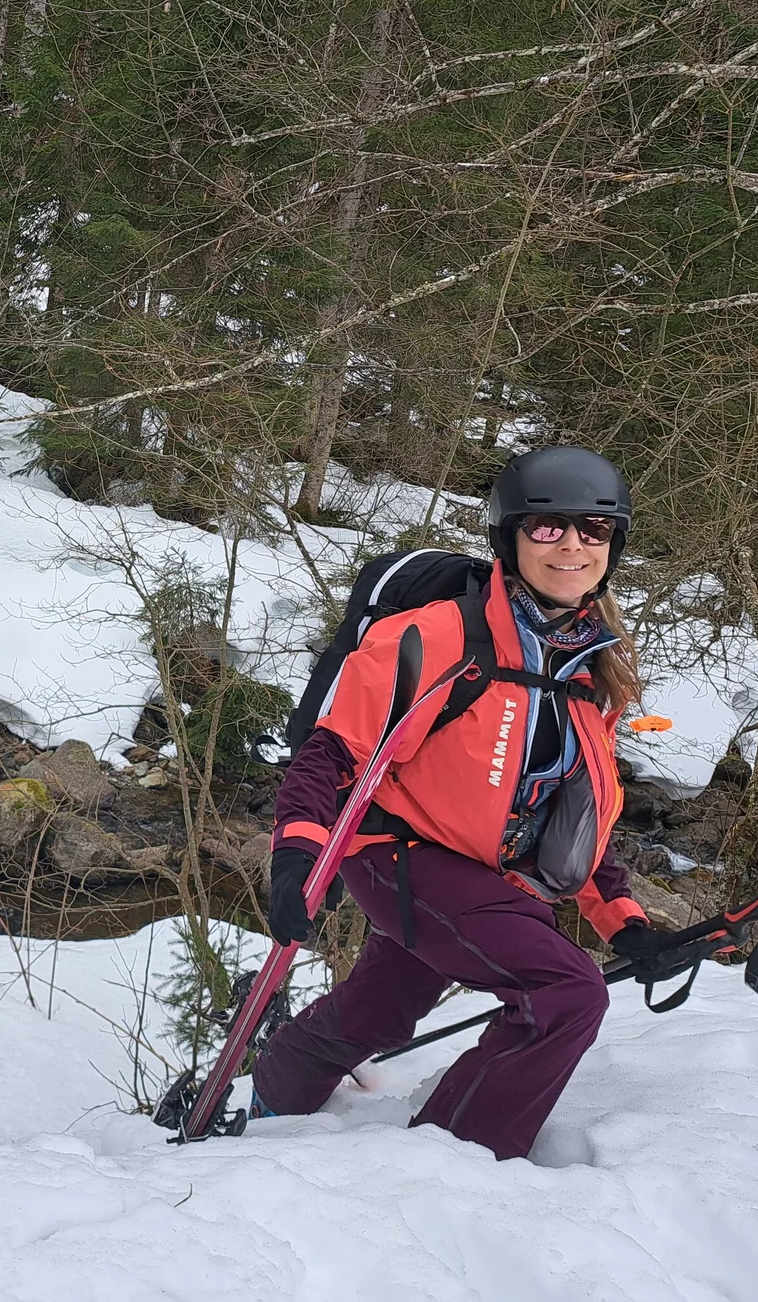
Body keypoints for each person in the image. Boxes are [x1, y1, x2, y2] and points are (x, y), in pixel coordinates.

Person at [251, 446, 660, 1161]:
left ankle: (273, 1092)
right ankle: (449, 1162)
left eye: (594, 530)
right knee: (566, 992)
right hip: (399, 852)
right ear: (510, 538)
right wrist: (295, 855)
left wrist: (622, 921)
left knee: (384, 1007)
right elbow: (332, 752)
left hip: (484, 872)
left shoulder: (593, 670)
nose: (572, 545)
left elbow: (577, 812)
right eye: (548, 527)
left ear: (613, 544)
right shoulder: (439, 635)